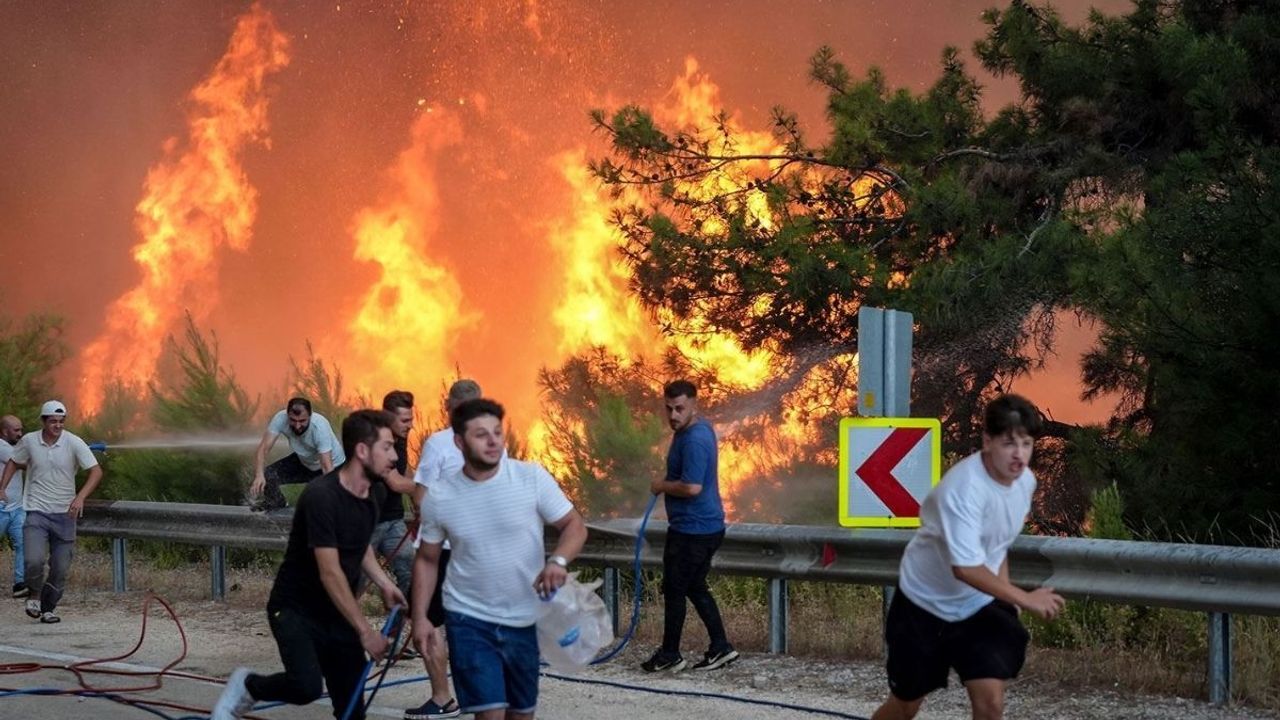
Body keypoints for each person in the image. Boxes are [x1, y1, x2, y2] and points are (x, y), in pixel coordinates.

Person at [871, 394, 1066, 720]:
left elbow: (996, 545)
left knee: (990, 703)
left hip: (977, 605)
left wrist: (1008, 604)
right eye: (1008, 444)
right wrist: (1024, 598)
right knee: (906, 704)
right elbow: (965, 568)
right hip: (924, 605)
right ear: (987, 441)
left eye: (1026, 443)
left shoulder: (1025, 483)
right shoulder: (962, 490)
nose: (1019, 455)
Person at [212, 410, 408, 720]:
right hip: (295, 609)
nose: (394, 456)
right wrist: (365, 630)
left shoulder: (374, 493)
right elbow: (329, 571)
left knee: (351, 707)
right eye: (386, 447)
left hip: (337, 613)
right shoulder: (322, 497)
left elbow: (360, 548)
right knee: (306, 687)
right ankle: (249, 686)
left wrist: (385, 584)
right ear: (361, 451)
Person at [411, 398, 587, 720]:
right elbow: (426, 559)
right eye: (481, 434)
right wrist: (420, 616)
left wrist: (558, 561)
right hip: (468, 618)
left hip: (524, 618)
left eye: (497, 432)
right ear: (459, 442)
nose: (493, 441)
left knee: (520, 715)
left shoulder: (530, 477)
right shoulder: (439, 496)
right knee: (489, 713)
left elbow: (574, 525)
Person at [403, 380, 490, 720]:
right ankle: (484, 700)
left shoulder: (438, 443)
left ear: (448, 406)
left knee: (426, 621)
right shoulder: (494, 442)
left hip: (440, 551)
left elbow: (421, 496)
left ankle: (443, 697)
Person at [643, 379, 737, 673]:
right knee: (694, 587)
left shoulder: (695, 439)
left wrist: (661, 485)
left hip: (694, 530)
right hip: (701, 526)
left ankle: (670, 654)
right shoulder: (691, 430)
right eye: (669, 408)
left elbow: (692, 487)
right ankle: (721, 647)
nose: (673, 415)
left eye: (680, 408)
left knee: (674, 589)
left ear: (694, 405)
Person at [0, 401, 103, 623]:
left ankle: (49, 608)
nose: (58, 425)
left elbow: (95, 471)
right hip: (36, 511)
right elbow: (13, 462)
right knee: (33, 560)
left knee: (60, 567)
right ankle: (34, 595)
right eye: (53, 421)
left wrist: (80, 498)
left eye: (61, 421)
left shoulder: (74, 442)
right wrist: (2, 488)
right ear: (43, 421)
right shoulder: (29, 441)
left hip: (65, 515)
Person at [249, 397, 346, 512]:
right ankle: (277, 502)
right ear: (287, 414)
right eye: (293, 420)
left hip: (332, 466)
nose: (297, 426)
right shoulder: (280, 419)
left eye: (302, 421)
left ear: (310, 416)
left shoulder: (319, 427)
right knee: (268, 475)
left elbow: (326, 465)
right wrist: (259, 475)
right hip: (305, 461)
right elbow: (263, 449)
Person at [0, 415, 27, 598]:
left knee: (23, 544)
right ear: (4, 431)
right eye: (16, 430)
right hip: (1, 508)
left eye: (21, 430)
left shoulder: (13, 447)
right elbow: (22, 463)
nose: (20, 434)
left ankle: (20, 584)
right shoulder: (2, 447)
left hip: (17, 508)